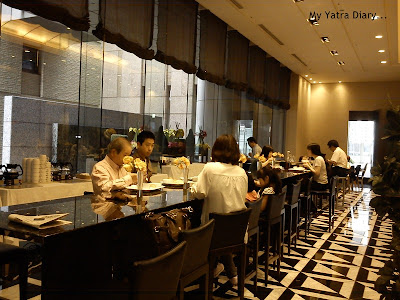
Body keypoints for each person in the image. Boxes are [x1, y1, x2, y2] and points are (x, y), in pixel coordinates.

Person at [191, 134, 247, 286]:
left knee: (193, 226)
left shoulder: (210, 168)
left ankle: (201, 272)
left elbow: (199, 193)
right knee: (222, 226)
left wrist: (192, 187)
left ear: (216, 150)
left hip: (213, 232)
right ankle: (228, 272)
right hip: (237, 231)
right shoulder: (241, 172)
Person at [91, 138, 138, 219]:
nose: (128, 159)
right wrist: (129, 179)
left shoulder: (121, 167)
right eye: (125, 155)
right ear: (113, 152)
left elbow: (126, 186)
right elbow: (104, 187)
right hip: (105, 205)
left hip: (119, 205)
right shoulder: (100, 167)